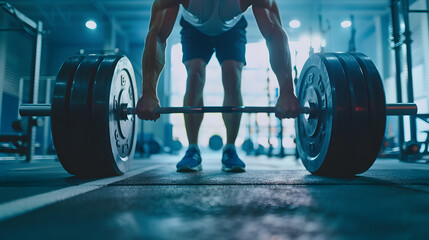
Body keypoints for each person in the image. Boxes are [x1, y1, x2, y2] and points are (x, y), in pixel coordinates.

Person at [137, 0, 300, 172]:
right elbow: (157, 36)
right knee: (195, 75)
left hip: (233, 29)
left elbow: (275, 34)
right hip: (194, 29)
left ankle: (230, 148)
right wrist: (149, 92)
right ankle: (192, 148)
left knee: (232, 76)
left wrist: (287, 91)